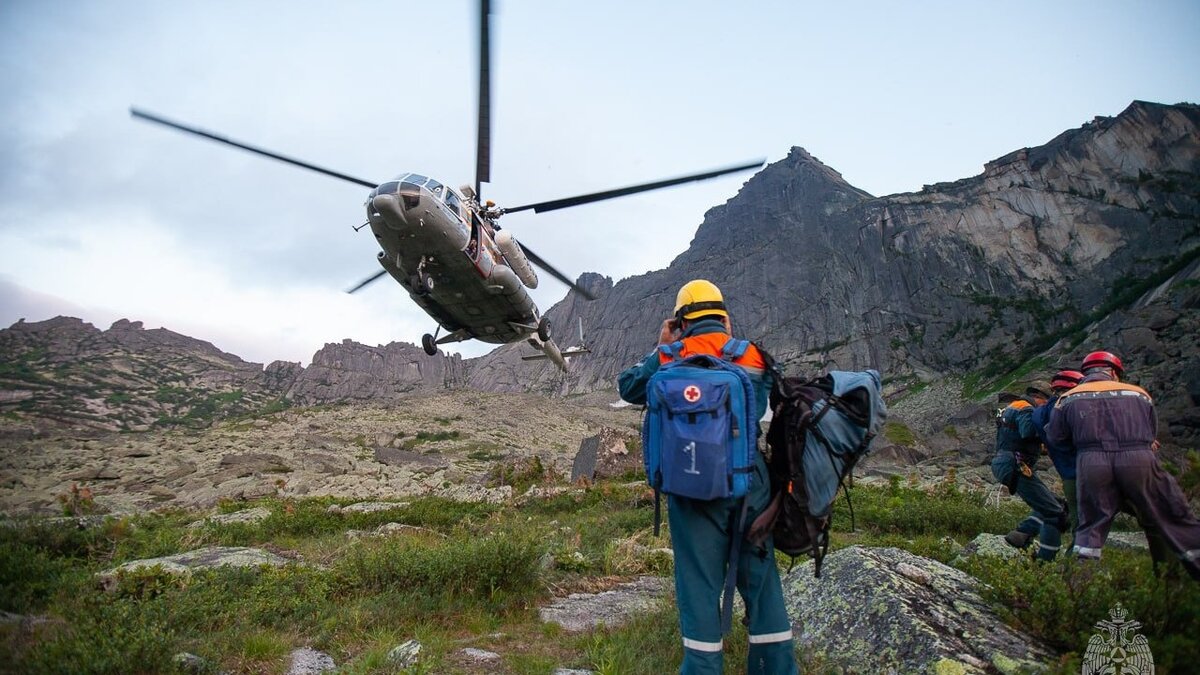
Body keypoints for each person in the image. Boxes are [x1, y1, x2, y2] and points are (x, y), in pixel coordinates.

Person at [618, 279, 797, 675]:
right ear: (722, 315)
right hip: (751, 483)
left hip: (690, 488)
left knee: (698, 588)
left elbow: (628, 387)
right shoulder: (752, 356)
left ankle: (701, 667)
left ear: (681, 320)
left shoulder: (667, 357)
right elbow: (767, 401)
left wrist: (661, 343)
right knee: (763, 586)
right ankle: (776, 667)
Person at [1048, 350, 1200, 580]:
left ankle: (1076, 586)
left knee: (1091, 526)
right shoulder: (1138, 393)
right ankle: (1174, 581)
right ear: (1115, 372)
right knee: (1167, 514)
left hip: (1092, 461)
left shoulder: (1068, 398)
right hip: (1138, 458)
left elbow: (1056, 437)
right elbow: (1151, 431)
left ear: (1086, 372)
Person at [992, 385, 1067, 561]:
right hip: (1015, 465)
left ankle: (1021, 534)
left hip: (1007, 463)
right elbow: (1028, 432)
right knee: (1055, 513)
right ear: (1039, 397)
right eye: (1047, 402)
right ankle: (1044, 562)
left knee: (1051, 503)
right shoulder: (1026, 408)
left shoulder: (1013, 406)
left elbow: (1016, 436)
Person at [1031, 369, 1084, 535]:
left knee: (1079, 522)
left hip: (1067, 474)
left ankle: (1076, 557)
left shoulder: (1039, 413)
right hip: (1092, 469)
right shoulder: (1074, 407)